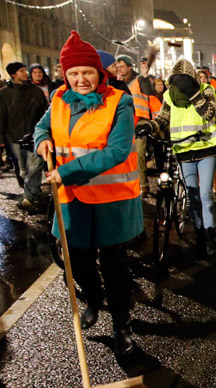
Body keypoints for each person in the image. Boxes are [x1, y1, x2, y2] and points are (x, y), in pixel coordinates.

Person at [34, 31, 142, 356]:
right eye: (74, 74)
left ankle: (122, 324)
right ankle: (93, 299)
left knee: (114, 268)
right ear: (65, 76)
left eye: (88, 72)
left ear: (100, 73)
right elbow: (43, 126)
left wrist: (64, 172)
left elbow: (118, 151)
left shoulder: (119, 101)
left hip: (111, 201)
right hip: (71, 202)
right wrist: (42, 141)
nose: (81, 80)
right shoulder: (58, 99)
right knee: (78, 264)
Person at [138, 59, 216, 255]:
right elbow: (163, 118)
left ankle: (210, 237)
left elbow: (209, 112)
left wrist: (193, 94)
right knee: (192, 198)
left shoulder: (205, 89)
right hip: (183, 151)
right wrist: (149, 125)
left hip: (205, 148)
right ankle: (200, 234)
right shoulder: (168, 95)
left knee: (205, 195)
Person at [0, 62, 49, 208]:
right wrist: (2, 138)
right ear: (13, 74)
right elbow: (1, 117)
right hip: (14, 137)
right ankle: (34, 192)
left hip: (34, 136)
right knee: (23, 170)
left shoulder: (36, 91)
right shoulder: (4, 94)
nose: (25, 73)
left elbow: (45, 112)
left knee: (35, 167)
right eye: (22, 71)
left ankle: (29, 197)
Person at [116, 54, 155, 195]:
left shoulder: (140, 80)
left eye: (122, 66)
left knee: (138, 152)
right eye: (117, 67)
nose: (119, 69)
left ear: (129, 67)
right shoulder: (118, 82)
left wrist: (145, 77)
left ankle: (143, 184)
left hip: (140, 120)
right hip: (125, 121)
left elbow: (149, 92)